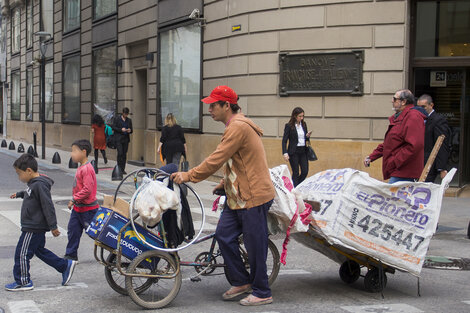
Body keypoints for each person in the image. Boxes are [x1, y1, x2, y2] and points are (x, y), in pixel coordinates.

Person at [171, 86, 275, 306]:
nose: (209, 109)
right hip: (238, 196)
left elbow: (216, 159)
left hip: (253, 196)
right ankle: (241, 281)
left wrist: (188, 175)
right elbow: (235, 161)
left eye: (213, 105)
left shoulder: (237, 127)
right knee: (224, 235)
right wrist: (223, 183)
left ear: (227, 105)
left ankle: (262, 291)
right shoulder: (233, 125)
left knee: (254, 245)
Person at [5, 154, 76, 291]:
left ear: (29, 171)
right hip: (33, 225)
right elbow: (29, 193)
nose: (19, 177)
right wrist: (20, 194)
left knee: (22, 253)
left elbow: (47, 205)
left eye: (19, 174)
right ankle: (64, 266)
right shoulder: (33, 184)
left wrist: (53, 226)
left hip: (33, 226)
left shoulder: (39, 185)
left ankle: (23, 281)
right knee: (39, 251)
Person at [364, 89, 426, 183]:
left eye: (395, 99)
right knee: (392, 196)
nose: (392, 101)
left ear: (403, 102)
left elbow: (414, 145)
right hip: (399, 170)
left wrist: (395, 161)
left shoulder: (413, 117)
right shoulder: (400, 117)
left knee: (390, 196)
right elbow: (390, 143)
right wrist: (372, 157)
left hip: (405, 172)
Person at [64, 140, 100, 261]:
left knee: (97, 234)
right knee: (73, 231)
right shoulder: (82, 167)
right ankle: (71, 255)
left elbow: (87, 189)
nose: (71, 154)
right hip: (78, 208)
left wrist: (74, 199)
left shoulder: (87, 169)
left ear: (84, 152)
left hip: (88, 210)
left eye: (74, 151)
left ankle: (115, 252)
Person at [417, 94, 451, 182]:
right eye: (419, 107)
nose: (421, 109)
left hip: (429, 163)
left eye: (423, 107)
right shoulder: (417, 119)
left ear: (431, 105)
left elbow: (441, 144)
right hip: (417, 162)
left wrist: (441, 168)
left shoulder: (438, 120)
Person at [281, 107, 312, 186]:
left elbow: (306, 139)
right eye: (300, 116)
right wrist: (285, 153)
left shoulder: (304, 125)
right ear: (295, 116)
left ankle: (296, 186)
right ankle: (295, 190)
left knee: (305, 171)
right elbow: (284, 140)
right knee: (296, 172)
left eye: (303, 116)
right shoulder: (289, 126)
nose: (302, 118)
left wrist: (307, 136)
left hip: (303, 151)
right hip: (294, 151)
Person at [112, 107, 133, 174]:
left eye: (127, 114)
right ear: (122, 113)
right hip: (119, 139)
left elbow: (132, 130)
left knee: (124, 154)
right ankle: (119, 167)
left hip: (126, 139)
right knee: (120, 153)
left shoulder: (129, 120)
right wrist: (121, 129)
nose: (126, 115)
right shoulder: (117, 119)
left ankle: (122, 168)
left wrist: (129, 130)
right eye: (125, 114)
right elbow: (114, 127)